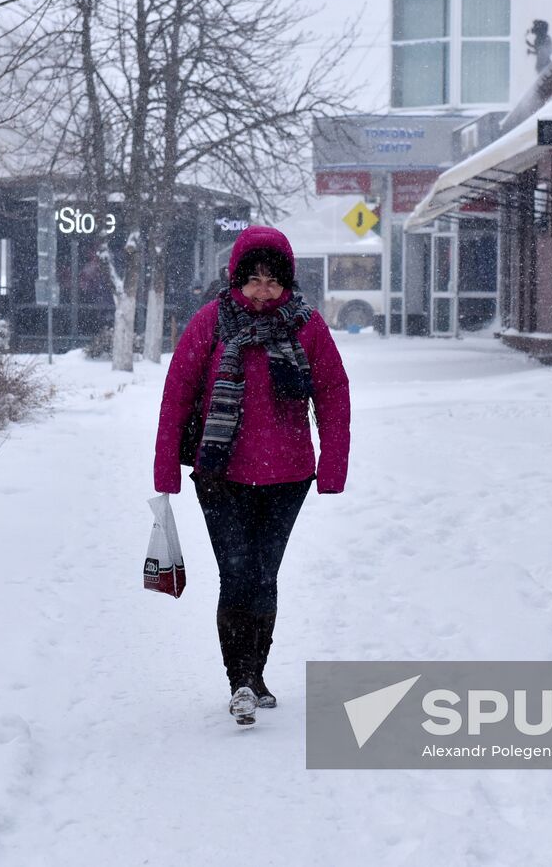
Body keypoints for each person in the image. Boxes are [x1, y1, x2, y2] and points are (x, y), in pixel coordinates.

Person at [154, 226, 350, 726]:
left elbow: (333, 395)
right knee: (236, 574)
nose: (262, 291)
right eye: (253, 280)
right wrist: (166, 472)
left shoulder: (307, 327)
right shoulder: (210, 324)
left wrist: (332, 467)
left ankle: (256, 674)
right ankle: (239, 679)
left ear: (287, 283)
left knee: (265, 576)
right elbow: (177, 394)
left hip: (288, 478)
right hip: (221, 475)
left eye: (272, 281)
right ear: (235, 279)